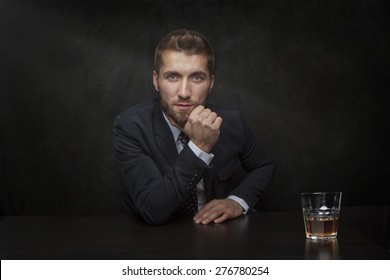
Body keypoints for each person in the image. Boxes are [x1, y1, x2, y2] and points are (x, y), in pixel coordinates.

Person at [113, 29, 274, 225]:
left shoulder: (232, 122)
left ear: (211, 83)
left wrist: (237, 201)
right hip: (152, 241)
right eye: (172, 77)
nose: (184, 92)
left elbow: (264, 166)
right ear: (156, 81)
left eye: (196, 77)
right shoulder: (131, 127)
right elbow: (152, 210)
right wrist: (199, 147)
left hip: (219, 237)